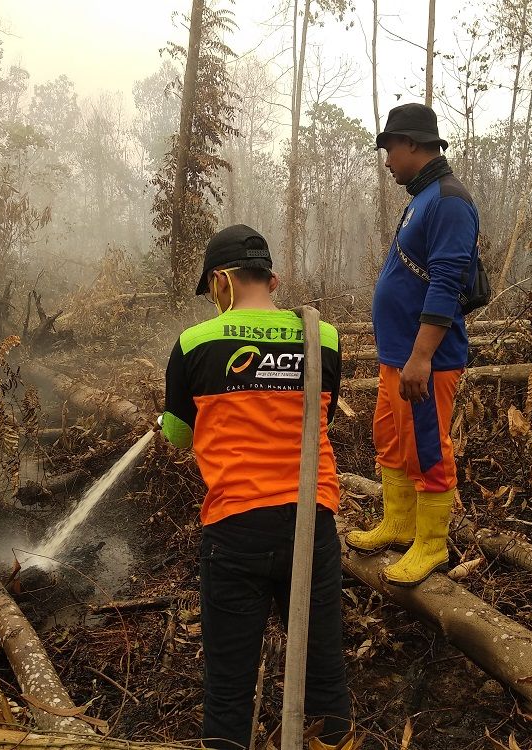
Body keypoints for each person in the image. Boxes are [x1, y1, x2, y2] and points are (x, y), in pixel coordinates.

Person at [160, 224, 354, 750]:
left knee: (228, 688)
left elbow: (178, 437)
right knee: (324, 676)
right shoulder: (324, 337)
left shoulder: (194, 343)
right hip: (312, 526)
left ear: (220, 280)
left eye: (211, 289)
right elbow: (322, 416)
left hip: (234, 529)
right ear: (272, 277)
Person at [346, 103, 480, 587]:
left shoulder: (448, 200)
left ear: (413, 145)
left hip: (426, 359)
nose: (386, 162)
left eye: (389, 149)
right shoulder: (423, 197)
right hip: (398, 356)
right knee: (390, 439)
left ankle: (431, 544)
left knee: (426, 447)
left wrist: (422, 355)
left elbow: (446, 281)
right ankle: (399, 524)